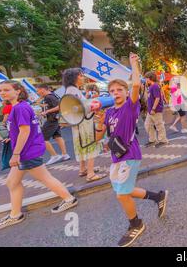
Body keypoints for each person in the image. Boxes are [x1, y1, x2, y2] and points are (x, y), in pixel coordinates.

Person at [95, 53, 168, 247]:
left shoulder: (130, 106)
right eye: (112, 91)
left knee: (121, 194)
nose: (116, 93)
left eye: (120, 90)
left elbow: (136, 85)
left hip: (130, 155)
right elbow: (100, 137)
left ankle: (136, 224)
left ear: (126, 93)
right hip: (116, 157)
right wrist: (99, 125)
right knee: (124, 190)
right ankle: (157, 196)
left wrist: (134, 65)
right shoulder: (109, 112)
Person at [0, 81, 78, 230]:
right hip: (27, 150)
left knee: (44, 178)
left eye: (6, 90)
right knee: (12, 182)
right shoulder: (20, 107)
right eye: (0, 90)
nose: (2, 93)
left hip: (27, 152)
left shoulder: (19, 108)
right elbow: (20, 130)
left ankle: (69, 199)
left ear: (17, 91)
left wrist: (15, 154)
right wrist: (12, 138)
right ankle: (15, 214)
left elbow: (25, 131)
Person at [62, 69, 106, 182]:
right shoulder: (74, 91)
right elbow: (80, 108)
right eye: (80, 76)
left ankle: (83, 169)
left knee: (82, 146)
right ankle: (90, 174)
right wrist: (93, 105)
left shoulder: (70, 90)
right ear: (75, 77)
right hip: (83, 125)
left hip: (78, 124)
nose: (83, 78)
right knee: (90, 145)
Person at [35, 84, 70, 165]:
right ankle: (65, 155)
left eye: (38, 91)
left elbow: (58, 107)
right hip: (55, 119)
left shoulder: (48, 97)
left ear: (42, 89)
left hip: (52, 119)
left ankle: (54, 156)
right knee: (57, 136)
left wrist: (46, 112)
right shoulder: (51, 96)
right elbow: (53, 106)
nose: (37, 93)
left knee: (42, 138)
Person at [144, 72, 169, 147]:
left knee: (159, 125)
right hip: (150, 110)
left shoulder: (155, 86)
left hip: (155, 110)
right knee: (147, 125)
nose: (145, 79)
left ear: (149, 78)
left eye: (146, 78)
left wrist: (153, 109)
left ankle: (163, 140)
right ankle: (153, 140)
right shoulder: (151, 86)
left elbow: (157, 98)